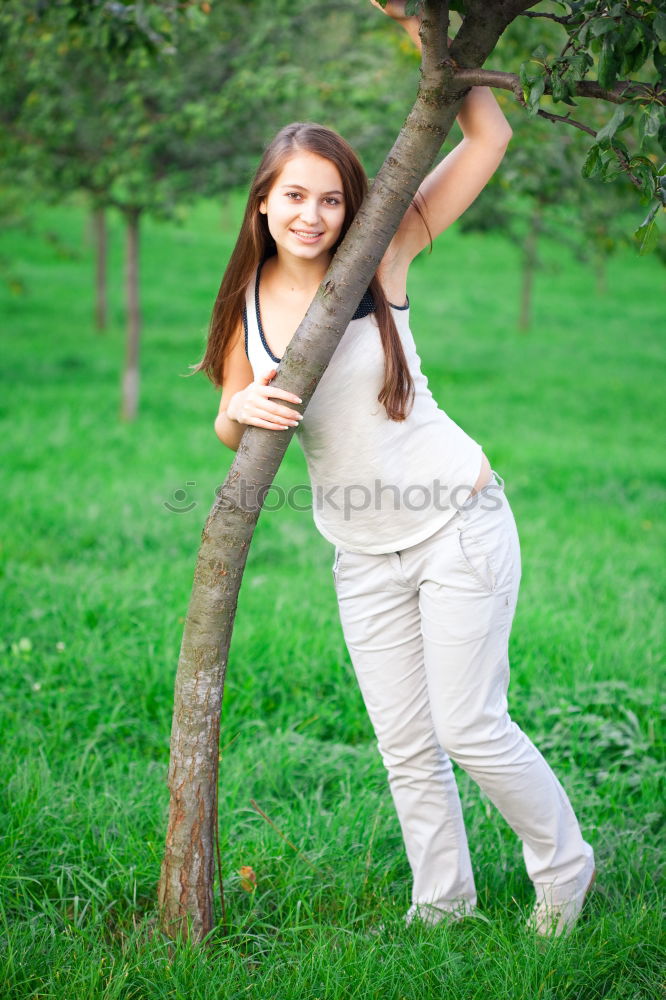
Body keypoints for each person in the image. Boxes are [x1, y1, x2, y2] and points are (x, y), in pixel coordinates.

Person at [195, 1, 595, 936]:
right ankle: (442, 906)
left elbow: (488, 135)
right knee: (406, 745)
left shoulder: (385, 251)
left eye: (331, 197)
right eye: (294, 195)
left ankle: (564, 866)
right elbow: (232, 415)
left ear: (352, 203)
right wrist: (236, 410)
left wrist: (430, 30)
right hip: (361, 552)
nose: (313, 213)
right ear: (263, 200)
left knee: (469, 728)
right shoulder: (245, 302)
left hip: (459, 520)